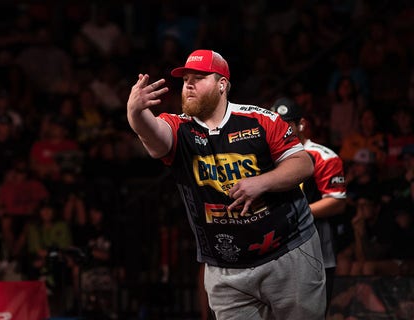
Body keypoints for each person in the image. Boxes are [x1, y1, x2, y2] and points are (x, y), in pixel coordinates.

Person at [126, 49, 325, 319]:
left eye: (199, 77)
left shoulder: (261, 120)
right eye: (186, 80)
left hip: (288, 253)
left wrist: (262, 182)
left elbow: (303, 164)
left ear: (222, 84)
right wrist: (136, 114)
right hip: (226, 270)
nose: (189, 85)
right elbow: (155, 137)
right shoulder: (178, 127)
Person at [270, 97, 347, 310]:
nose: (281, 130)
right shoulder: (266, 159)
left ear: (300, 124)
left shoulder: (323, 157)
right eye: (276, 125)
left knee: (314, 312)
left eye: (287, 124)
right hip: (278, 253)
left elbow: (337, 203)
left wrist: (293, 214)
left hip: (318, 251)